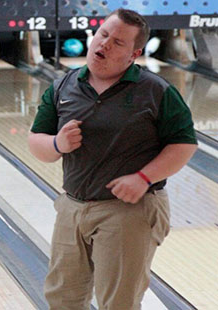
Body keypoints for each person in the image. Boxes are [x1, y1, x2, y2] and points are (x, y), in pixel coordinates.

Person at [28, 8, 198, 310]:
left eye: (118, 42)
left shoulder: (157, 91)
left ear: (134, 53)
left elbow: (184, 144)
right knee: (62, 299)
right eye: (103, 34)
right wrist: (57, 143)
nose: (104, 44)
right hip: (73, 207)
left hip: (129, 211)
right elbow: (36, 142)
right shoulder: (62, 87)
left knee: (118, 303)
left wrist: (143, 177)